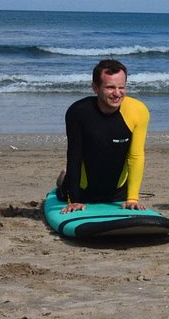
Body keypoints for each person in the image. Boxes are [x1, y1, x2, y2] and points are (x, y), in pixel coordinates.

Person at [56, 59, 149, 213]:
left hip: (118, 192)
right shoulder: (78, 112)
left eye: (121, 87)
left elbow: (136, 156)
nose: (117, 93)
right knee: (64, 183)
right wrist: (74, 200)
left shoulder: (138, 111)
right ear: (95, 87)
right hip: (83, 190)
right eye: (110, 87)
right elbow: (74, 156)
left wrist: (132, 198)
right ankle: (62, 177)